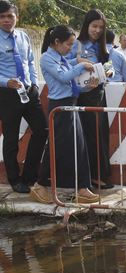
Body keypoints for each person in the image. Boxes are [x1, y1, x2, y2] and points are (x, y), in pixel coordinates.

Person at [31, 25, 99, 204]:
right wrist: (81, 65)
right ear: (56, 42)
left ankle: (83, 187)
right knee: (56, 148)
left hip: (71, 104)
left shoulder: (61, 58)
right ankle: (40, 184)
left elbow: (71, 83)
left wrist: (87, 85)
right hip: (59, 107)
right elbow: (63, 77)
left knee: (79, 146)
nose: (70, 48)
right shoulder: (47, 58)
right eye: (68, 44)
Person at [0, 0, 47, 193]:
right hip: (7, 93)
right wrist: (5, 81)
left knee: (42, 130)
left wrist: (34, 83)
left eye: (9, 16)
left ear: (16, 17)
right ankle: (14, 178)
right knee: (11, 138)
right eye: (2, 17)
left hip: (28, 92)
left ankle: (30, 176)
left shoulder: (23, 36)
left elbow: (29, 62)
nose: (6, 20)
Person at [70, 9, 113, 190]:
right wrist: (79, 63)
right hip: (83, 96)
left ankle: (101, 174)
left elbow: (109, 65)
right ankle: (92, 177)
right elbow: (64, 64)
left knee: (101, 136)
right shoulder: (76, 45)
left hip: (100, 94)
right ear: (86, 25)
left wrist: (109, 72)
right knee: (90, 136)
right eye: (94, 26)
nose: (97, 30)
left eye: (101, 27)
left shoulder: (103, 46)